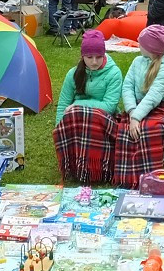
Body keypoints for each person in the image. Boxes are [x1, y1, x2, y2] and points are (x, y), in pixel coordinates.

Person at [52, 30, 125, 184]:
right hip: (76, 120)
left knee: (80, 114)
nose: (94, 62)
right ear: (82, 56)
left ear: (104, 54)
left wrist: (78, 105)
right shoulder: (73, 74)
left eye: (98, 57)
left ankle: (95, 166)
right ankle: (75, 164)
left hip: (103, 121)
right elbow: (64, 104)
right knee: (75, 116)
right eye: (89, 57)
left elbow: (109, 106)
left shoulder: (114, 73)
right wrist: (59, 131)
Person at [111, 24, 164, 187]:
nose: (139, 45)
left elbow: (153, 97)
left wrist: (137, 117)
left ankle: (149, 176)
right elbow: (127, 87)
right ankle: (127, 178)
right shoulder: (138, 61)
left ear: (151, 48)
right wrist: (132, 112)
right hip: (136, 107)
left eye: (141, 43)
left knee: (149, 130)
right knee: (124, 130)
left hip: (158, 107)